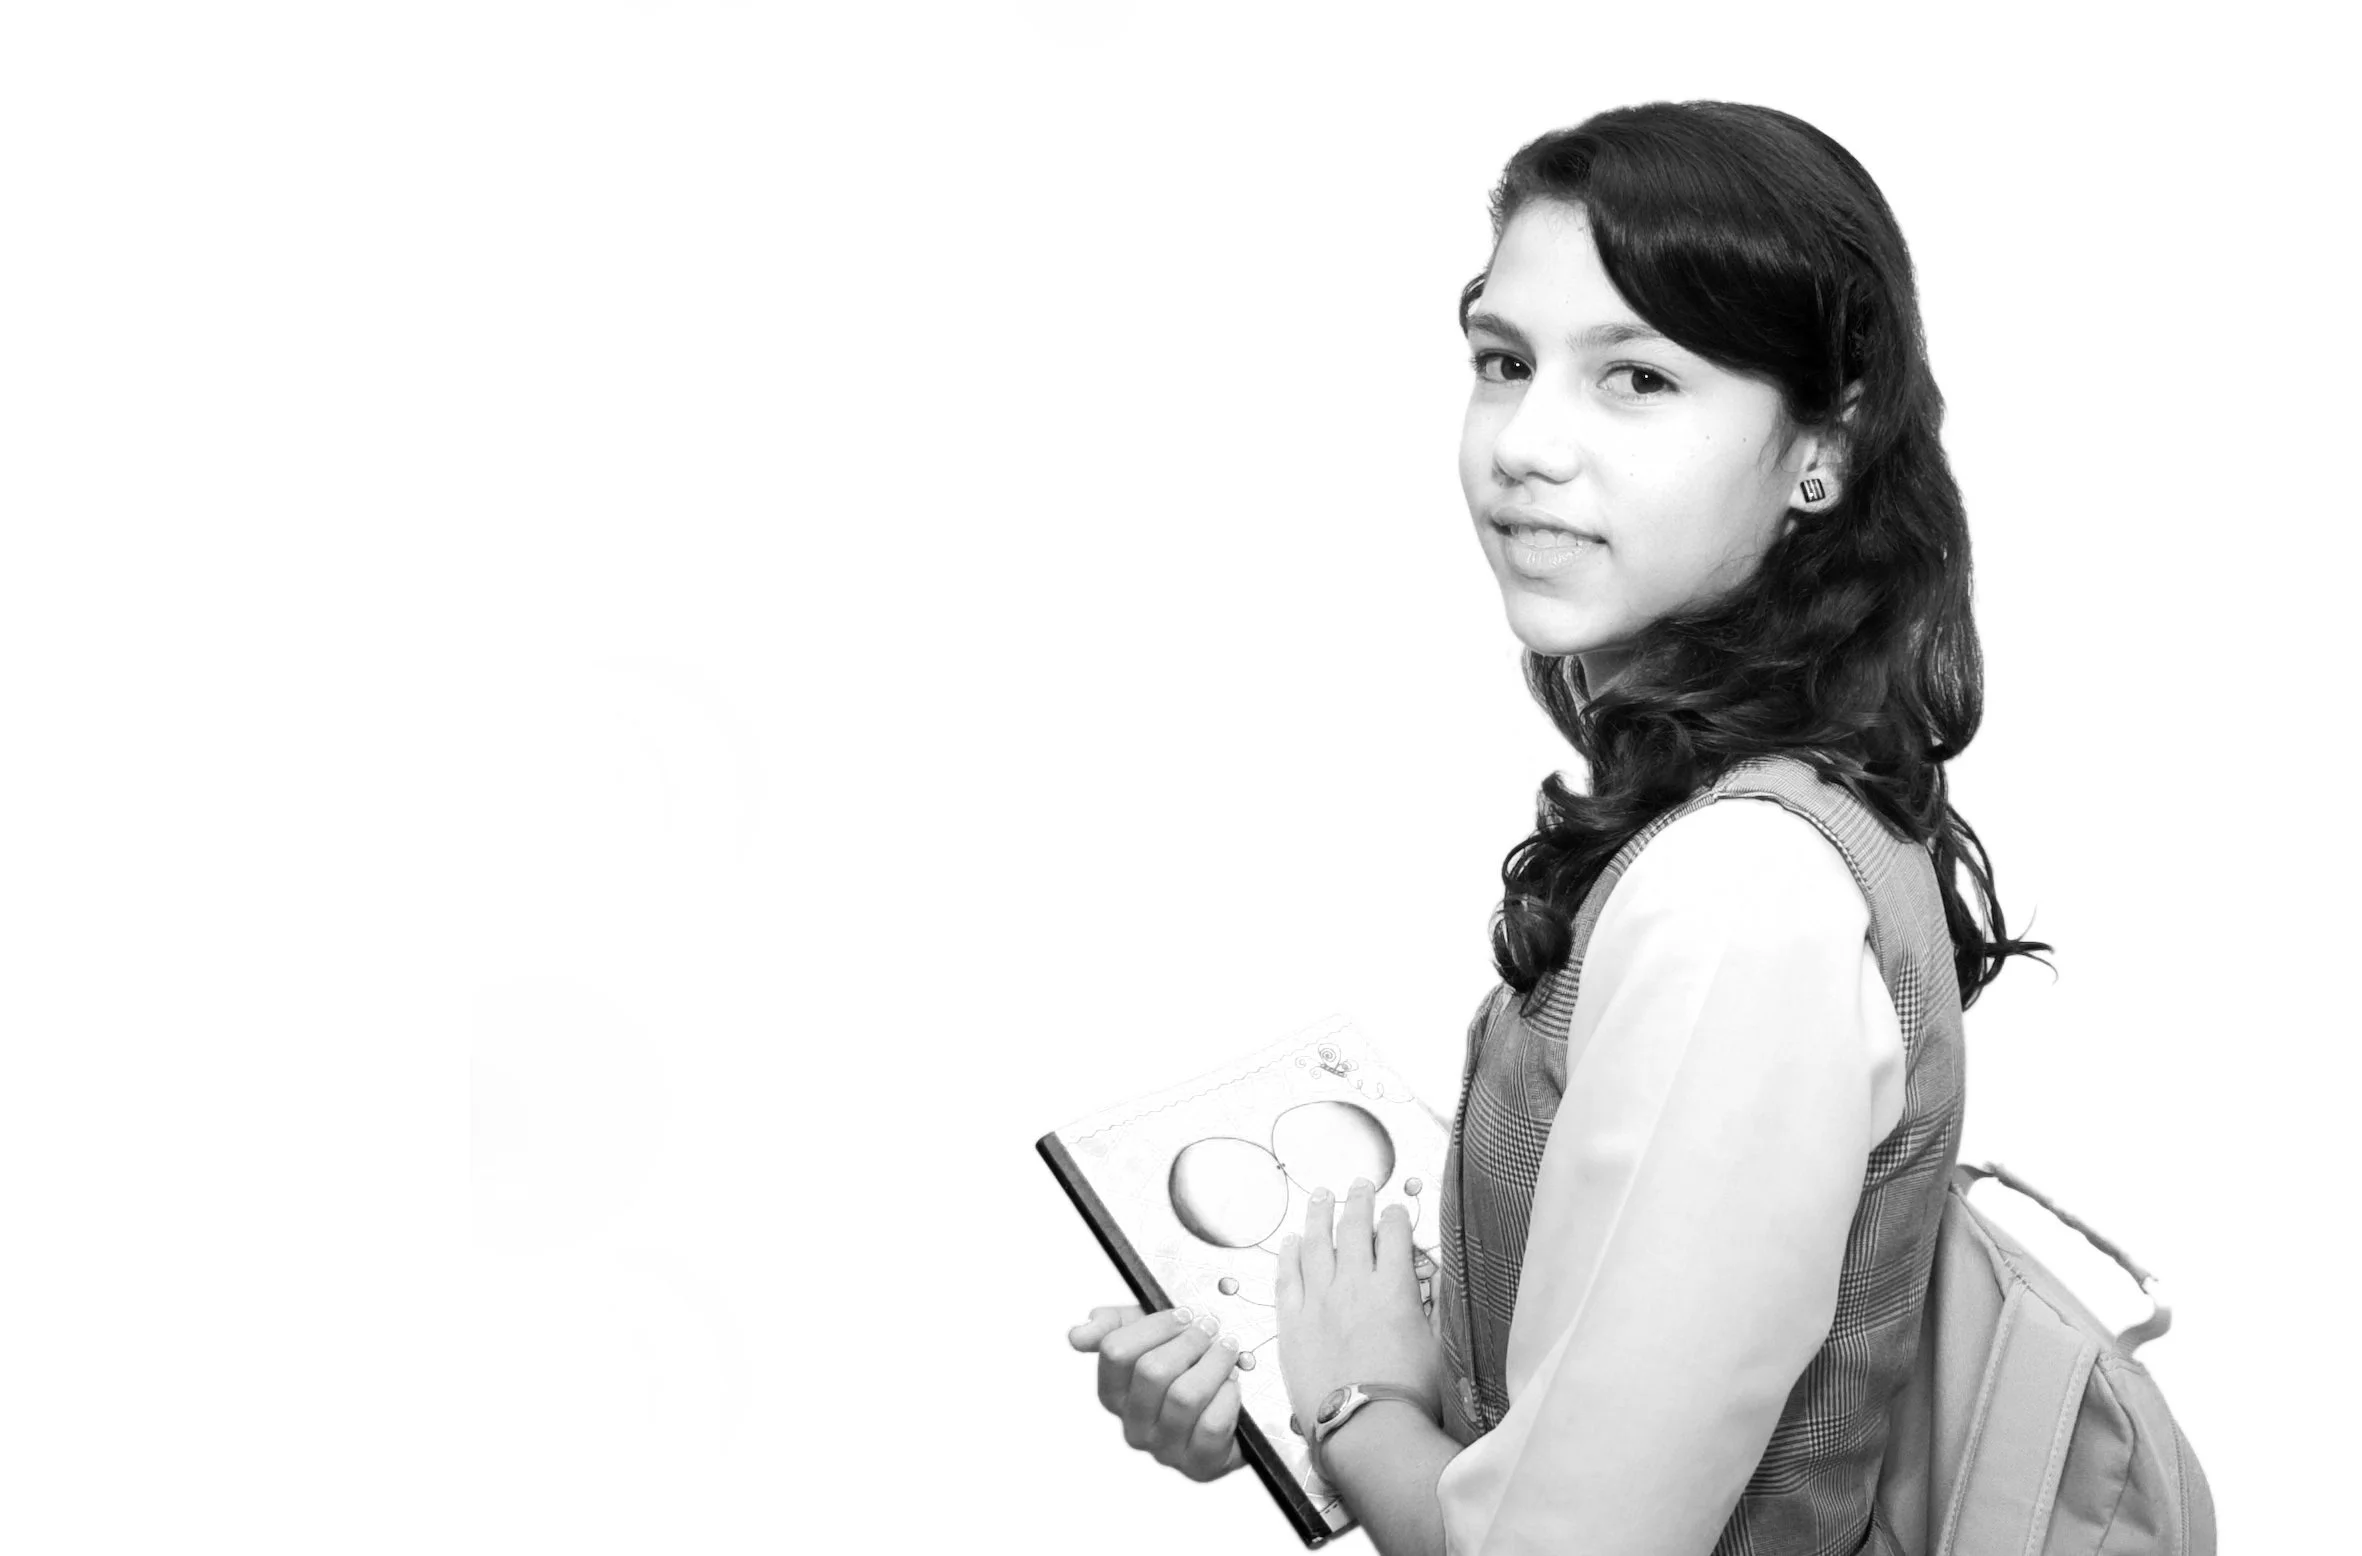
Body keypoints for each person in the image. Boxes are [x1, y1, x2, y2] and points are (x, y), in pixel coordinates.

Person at [1067, 100, 2051, 1556]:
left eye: (1635, 378)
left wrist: (1351, 1409)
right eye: (1501, 362)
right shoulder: (1774, 814)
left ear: (1818, 453)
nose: (1524, 443)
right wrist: (1334, 1395)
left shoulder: (1738, 890)